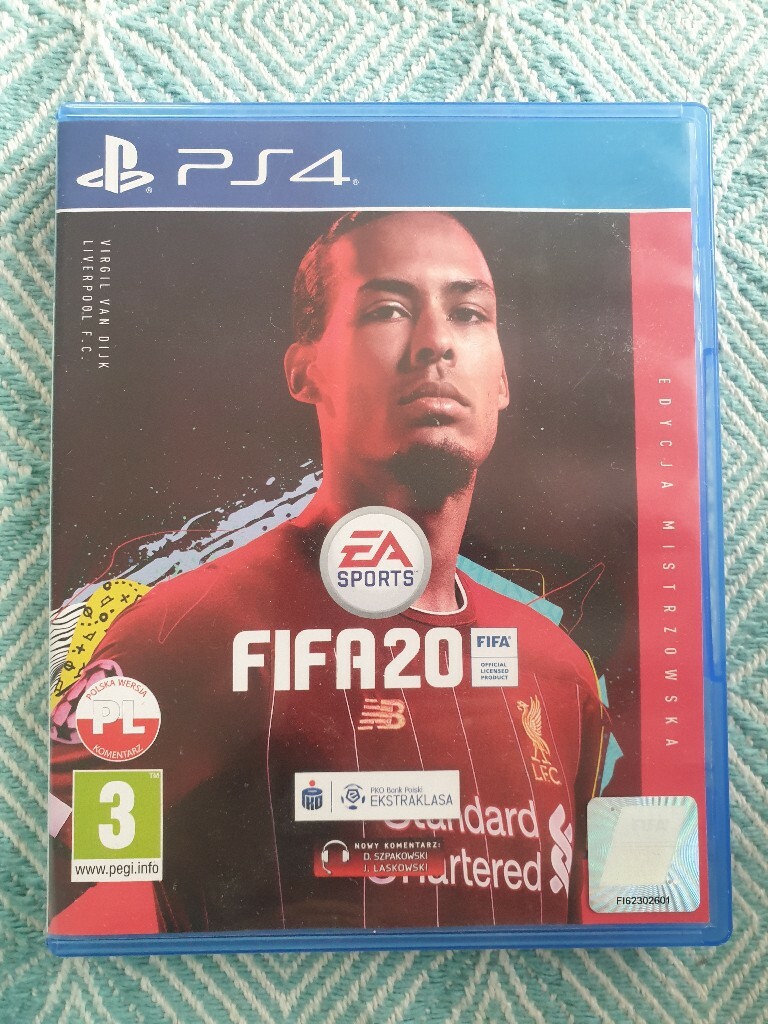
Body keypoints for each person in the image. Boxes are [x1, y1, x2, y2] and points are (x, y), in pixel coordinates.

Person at [50, 211, 608, 933]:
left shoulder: (560, 671)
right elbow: (42, 877)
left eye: (469, 313)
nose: (436, 342)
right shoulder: (187, 633)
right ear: (304, 371)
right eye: (387, 310)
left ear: (501, 378)